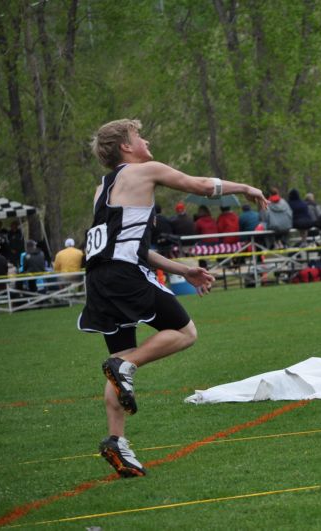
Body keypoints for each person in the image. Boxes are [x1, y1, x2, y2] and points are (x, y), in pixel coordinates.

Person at [78, 118, 266, 477]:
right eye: (139, 136)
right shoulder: (145, 170)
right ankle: (127, 368)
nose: (146, 140)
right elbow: (197, 185)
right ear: (125, 147)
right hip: (124, 274)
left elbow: (128, 243)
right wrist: (244, 187)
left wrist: (183, 270)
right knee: (184, 332)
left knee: (119, 360)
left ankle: (117, 442)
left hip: (100, 280)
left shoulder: (102, 189)